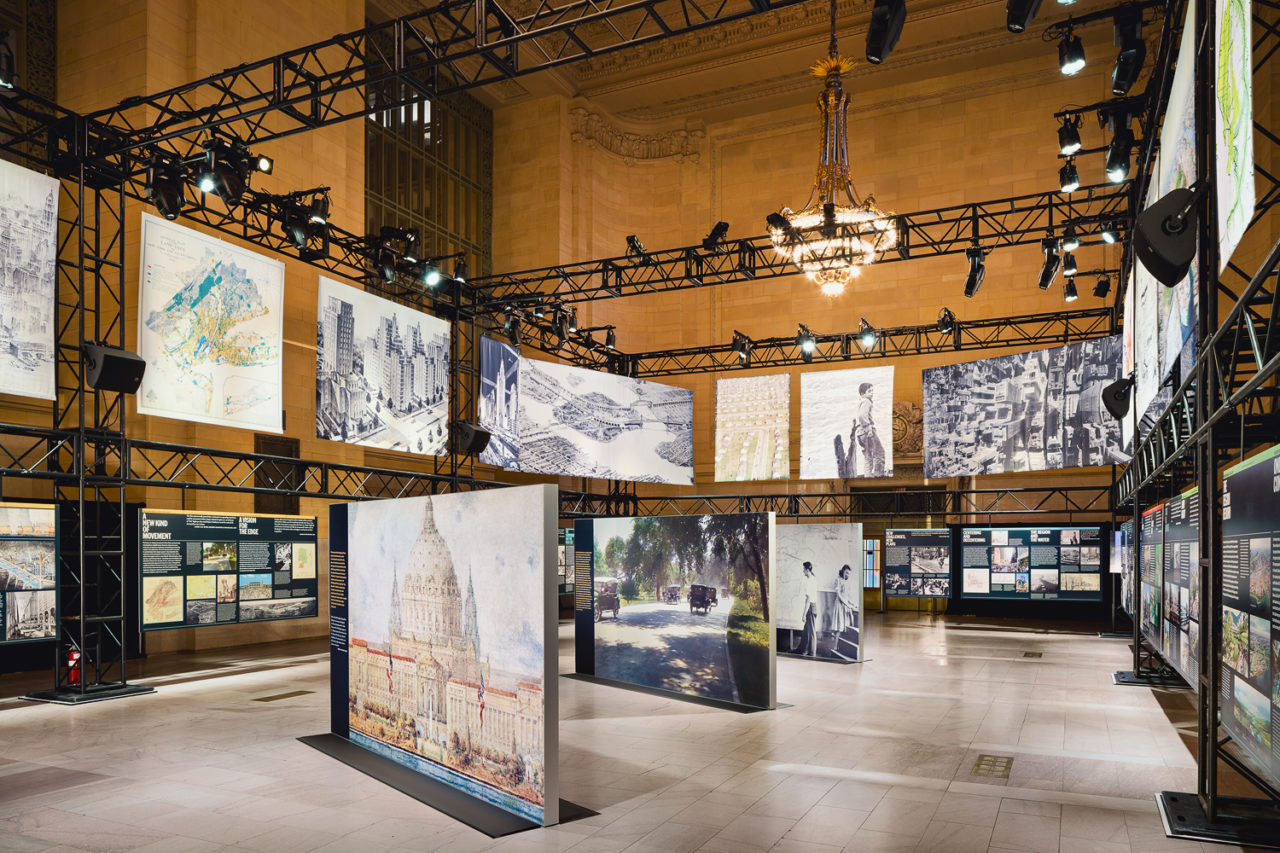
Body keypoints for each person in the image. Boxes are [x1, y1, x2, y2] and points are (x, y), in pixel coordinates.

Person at [854, 382, 885, 476]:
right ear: (862, 394)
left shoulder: (860, 402)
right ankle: (879, 476)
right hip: (867, 432)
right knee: (879, 453)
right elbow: (861, 415)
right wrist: (868, 428)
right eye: (869, 391)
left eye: (872, 391)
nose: (872, 393)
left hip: (860, 433)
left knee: (868, 457)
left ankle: (867, 476)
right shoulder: (866, 401)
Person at [797, 561, 818, 656]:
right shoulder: (813, 579)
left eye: (803, 570)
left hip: (811, 608)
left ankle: (812, 653)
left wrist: (803, 614)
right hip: (813, 607)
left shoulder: (810, 581)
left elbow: (808, 600)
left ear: (807, 570)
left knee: (812, 632)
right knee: (806, 631)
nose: (803, 571)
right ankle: (802, 650)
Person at [833, 564, 856, 633]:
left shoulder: (848, 582)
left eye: (849, 574)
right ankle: (837, 641)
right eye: (846, 573)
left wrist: (853, 603)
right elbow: (839, 595)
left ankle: (844, 642)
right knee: (839, 627)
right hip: (839, 605)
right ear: (842, 571)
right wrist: (847, 604)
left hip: (845, 605)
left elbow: (847, 596)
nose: (847, 575)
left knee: (846, 627)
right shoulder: (837, 580)